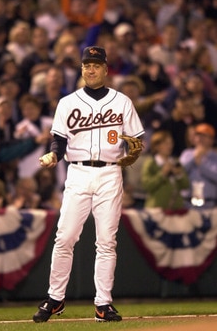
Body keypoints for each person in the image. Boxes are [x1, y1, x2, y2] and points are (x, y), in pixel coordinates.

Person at [32, 46, 144, 323]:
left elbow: (136, 139)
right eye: (86, 65)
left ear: (106, 69)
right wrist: (54, 155)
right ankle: (55, 298)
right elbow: (59, 138)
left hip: (109, 173)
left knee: (106, 241)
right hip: (78, 172)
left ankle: (103, 304)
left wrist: (133, 151)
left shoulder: (122, 102)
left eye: (96, 64)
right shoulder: (68, 102)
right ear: (82, 69)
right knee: (65, 237)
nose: (91, 69)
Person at [141, 130, 190, 210]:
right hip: (156, 209)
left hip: (176, 209)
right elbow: (147, 186)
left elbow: (185, 185)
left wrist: (179, 175)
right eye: (166, 143)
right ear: (157, 146)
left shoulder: (176, 162)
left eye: (171, 143)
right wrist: (162, 174)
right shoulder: (151, 163)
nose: (169, 146)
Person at [179, 122, 217, 208]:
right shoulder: (187, 154)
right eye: (198, 135)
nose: (200, 138)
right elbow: (179, 172)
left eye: (204, 136)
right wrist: (194, 158)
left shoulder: (215, 157)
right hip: (187, 202)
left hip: (209, 203)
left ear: (211, 139)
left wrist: (201, 165)